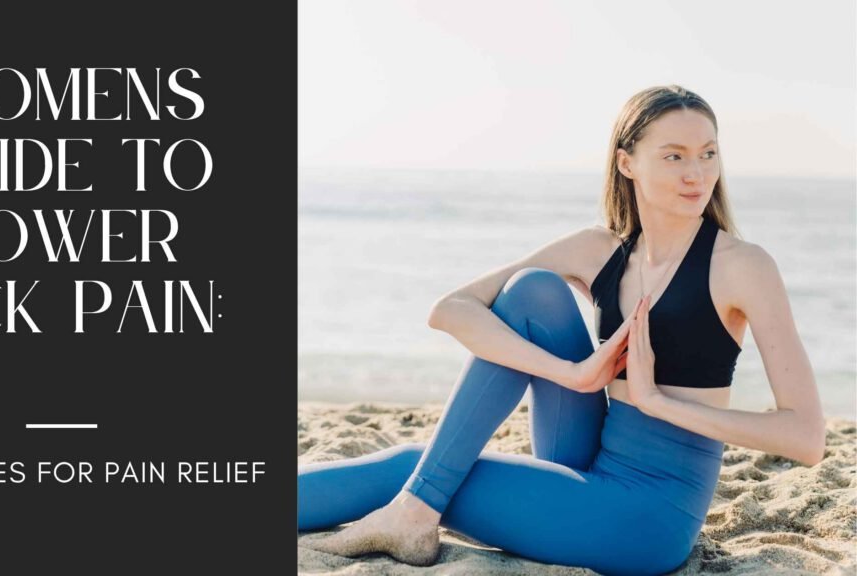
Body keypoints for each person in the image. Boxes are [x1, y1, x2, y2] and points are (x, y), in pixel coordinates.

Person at [296, 85, 826, 576]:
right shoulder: (599, 251)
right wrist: (569, 374)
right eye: (674, 156)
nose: (697, 173)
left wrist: (655, 401)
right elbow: (452, 309)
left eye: (708, 153)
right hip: (587, 459)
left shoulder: (741, 265)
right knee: (531, 292)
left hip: (648, 517)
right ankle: (416, 505)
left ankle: (412, 513)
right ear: (627, 163)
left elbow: (805, 438)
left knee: (415, 470)